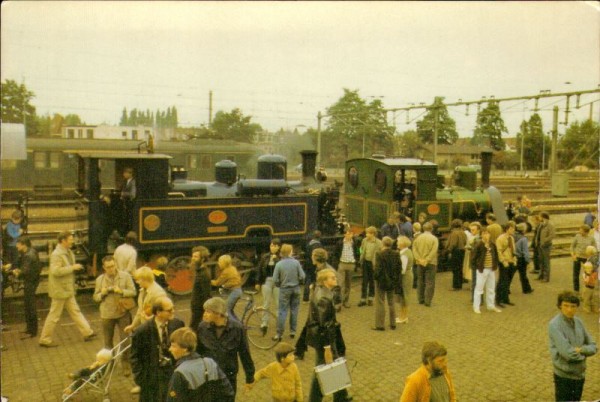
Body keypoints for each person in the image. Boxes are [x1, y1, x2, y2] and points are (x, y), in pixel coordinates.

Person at [39, 231, 96, 347]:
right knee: (54, 315)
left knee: (75, 311)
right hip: (60, 290)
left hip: (66, 289)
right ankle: (44, 339)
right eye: (70, 239)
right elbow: (55, 271)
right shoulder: (57, 254)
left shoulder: (67, 251)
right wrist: (72, 267)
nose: (72, 241)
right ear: (63, 241)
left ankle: (87, 332)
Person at [305, 268, 352, 402]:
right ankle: (315, 399)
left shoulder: (322, 291)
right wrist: (327, 347)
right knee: (322, 368)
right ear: (324, 281)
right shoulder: (324, 299)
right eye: (332, 278)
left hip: (325, 337)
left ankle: (341, 395)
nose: (335, 279)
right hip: (324, 339)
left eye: (335, 277)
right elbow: (324, 325)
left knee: (335, 364)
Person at [196, 297, 255, 398]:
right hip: (209, 377)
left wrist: (250, 377)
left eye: (208, 312)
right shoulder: (202, 327)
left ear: (218, 314)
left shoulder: (237, 328)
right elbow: (198, 351)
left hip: (228, 376)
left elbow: (244, 353)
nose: (204, 314)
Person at [131, 297, 184, 402]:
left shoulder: (178, 324)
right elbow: (135, 357)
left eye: (173, 308)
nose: (173, 311)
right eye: (169, 310)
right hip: (153, 376)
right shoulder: (142, 331)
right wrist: (141, 379)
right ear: (158, 312)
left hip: (172, 372)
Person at [548, 290, 597, 402]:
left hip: (579, 375)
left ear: (577, 307)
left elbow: (594, 346)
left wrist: (581, 350)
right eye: (566, 306)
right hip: (564, 376)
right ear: (560, 306)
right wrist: (584, 354)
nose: (569, 310)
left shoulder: (579, 322)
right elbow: (568, 354)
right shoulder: (554, 325)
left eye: (573, 306)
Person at [93, 255, 136, 375]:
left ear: (115, 264)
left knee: (126, 340)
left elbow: (133, 291)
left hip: (122, 313)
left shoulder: (125, 276)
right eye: (108, 267)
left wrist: (121, 291)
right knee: (107, 342)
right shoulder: (100, 280)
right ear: (104, 268)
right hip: (107, 315)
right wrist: (102, 293)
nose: (111, 269)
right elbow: (95, 297)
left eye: (112, 266)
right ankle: (109, 364)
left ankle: (126, 364)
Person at [166, 327, 234, 402]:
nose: (170, 349)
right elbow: (228, 392)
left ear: (185, 348)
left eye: (173, 346)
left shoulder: (180, 372)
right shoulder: (210, 363)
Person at [273, 244, 305, 340]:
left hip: (284, 290)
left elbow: (275, 279)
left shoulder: (279, 264)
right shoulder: (296, 263)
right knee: (294, 310)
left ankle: (279, 333)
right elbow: (302, 276)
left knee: (282, 311)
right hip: (296, 289)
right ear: (290, 252)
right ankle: (292, 331)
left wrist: (279, 284)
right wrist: (298, 281)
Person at [125, 266, 167, 334]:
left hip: (155, 329)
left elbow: (163, 313)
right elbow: (140, 310)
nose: (137, 282)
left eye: (138, 279)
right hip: (147, 327)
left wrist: (150, 319)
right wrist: (133, 325)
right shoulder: (142, 291)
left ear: (144, 279)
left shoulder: (158, 293)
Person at [14, 236, 41, 338]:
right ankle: (30, 328)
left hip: (30, 282)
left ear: (23, 244)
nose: (16, 246)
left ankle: (32, 331)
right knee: (28, 305)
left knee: (30, 306)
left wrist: (16, 272)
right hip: (33, 281)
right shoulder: (31, 252)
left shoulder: (28, 256)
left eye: (18, 244)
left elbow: (24, 270)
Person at [471, 228, 502, 314]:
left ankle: (491, 305)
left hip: (491, 269)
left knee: (491, 288)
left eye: (487, 233)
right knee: (479, 288)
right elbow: (473, 258)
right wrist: (476, 267)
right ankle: (476, 306)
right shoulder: (479, 245)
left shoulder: (492, 245)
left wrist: (495, 265)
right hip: (482, 269)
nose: (486, 235)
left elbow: (495, 255)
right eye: (484, 233)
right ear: (481, 235)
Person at [372, 236, 400, 331]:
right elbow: (399, 268)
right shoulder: (396, 254)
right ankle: (393, 324)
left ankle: (380, 324)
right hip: (392, 281)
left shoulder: (379, 254)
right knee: (391, 302)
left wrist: (375, 277)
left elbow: (378, 268)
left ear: (383, 244)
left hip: (381, 281)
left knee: (380, 302)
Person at [255, 238, 281, 331]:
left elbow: (282, 269)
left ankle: (279, 324)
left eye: (275, 246)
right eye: (271, 245)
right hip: (267, 281)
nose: (272, 247)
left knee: (278, 303)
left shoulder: (281, 258)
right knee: (266, 303)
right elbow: (259, 269)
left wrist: (277, 260)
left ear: (278, 247)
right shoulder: (265, 256)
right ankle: (264, 323)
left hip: (277, 282)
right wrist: (258, 282)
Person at [412, 222, 439, 307]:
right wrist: (427, 259)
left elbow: (414, 249)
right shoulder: (434, 239)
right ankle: (427, 301)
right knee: (430, 282)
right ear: (431, 229)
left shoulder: (417, 238)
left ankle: (420, 299)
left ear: (423, 229)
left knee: (420, 281)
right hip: (431, 263)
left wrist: (419, 259)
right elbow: (434, 251)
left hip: (419, 262)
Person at [332, 228, 360, 309]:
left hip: (351, 264)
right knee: (340, 284)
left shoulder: (355, 243)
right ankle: (338, 303)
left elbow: (358, 252)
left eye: (351, 234)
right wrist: (336, 265)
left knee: (348, 284)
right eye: (348, 233)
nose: (349, 235)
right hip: (342, 264)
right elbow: (335, 254)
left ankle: (346, 301)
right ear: (345, 234)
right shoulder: (340, 243)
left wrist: (356, 262)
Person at [211, 254, 242, 322]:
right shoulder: (232, 268)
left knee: (226, 311)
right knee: (230, 310)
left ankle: (237, 327)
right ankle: (239, 324)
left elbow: (217, 283)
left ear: (224, 263)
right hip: (238, 290)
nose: (218, 263)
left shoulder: (226, 272)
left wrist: (208, 280)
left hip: (234, 292)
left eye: (219, 262)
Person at [358, 226, 382, 307]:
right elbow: (361, 249)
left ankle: (371, 298)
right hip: (365, 262)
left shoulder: (378, 243)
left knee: (372, 281)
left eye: (368, 233)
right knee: (364, 281)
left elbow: (380, 253)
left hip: (373, 264)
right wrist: (361, 254)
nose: (366, 235)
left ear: (373, 234)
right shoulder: (364, 240)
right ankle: (363, 299)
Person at [189, 245, 212, 330]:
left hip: (199, 310)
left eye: (196, 256)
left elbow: (207, 295)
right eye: (193, 256)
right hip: (196, 309)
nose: (193, 258)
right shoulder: (199, 271)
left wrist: (206, 312)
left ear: (202, 259)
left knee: (194, 329)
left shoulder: (204, 275)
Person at [496, 222, 517, 307]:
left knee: (508, 282)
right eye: (511, 229)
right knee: (502, 281)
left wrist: (515, 260)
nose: (513, 230)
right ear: (507, 229)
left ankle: (506, 299)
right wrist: (503, 261)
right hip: (504, 262)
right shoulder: (500, 238)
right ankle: (498, 299)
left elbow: (513, 249)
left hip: (511, 261)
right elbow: (499, 251)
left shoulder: (511, 238)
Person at [570, 224, 595, 292]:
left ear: (586, 232)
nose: (580, 232)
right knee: (575, 274)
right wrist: (573, 254)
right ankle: (576, 290)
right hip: (577, 257)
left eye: (581, 231)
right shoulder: (577, 236)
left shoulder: (591, 238)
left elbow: (594, 248)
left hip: (586, 258)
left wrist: (591, 257)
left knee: (587, 274)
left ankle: (586, 290)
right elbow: (572, 246)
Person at [445, 219, 467, 291]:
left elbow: (453, 244)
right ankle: (459, 284)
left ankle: (455, 286)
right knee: (460, 268)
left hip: (456, 252)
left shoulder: (454, 233)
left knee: (455, 269)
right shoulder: (463, 233)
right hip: (462, 251)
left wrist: (448, 250)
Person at [396, 236, 413, 324]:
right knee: (404, 296)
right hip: (408, 274)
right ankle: (402, 316)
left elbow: (402, 269)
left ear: (402, 243)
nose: (397, 243)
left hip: (405, 277)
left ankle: (404, 317)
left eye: (398, 241)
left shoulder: (404, 255)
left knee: (404, 297)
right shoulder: (408, 251)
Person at [514, 223, 534, 294]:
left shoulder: (513, 236)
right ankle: (526, 289)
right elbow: (525, 251)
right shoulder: (523, 239)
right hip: (521, 259)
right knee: (523, 275)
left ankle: (506, 289)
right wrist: (528, 261)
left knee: (509, 275)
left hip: (513, 257)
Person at [303, 231, 323, 302]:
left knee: (307, 280)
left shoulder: (309, 244)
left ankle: (305, 298)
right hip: (314, 264)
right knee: (316, 280)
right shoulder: (318, 245)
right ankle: (315, 297)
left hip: (308, 264)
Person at [537, 211, 556, 282]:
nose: (539, 218)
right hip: (540, 245)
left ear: (543, 217)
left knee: (546, 262)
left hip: (546, 245)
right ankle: (541, 275)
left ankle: (546, 277)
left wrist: (545, 240)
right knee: (541, 261)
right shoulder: (541, 224)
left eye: (540, 216)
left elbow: (552, 235)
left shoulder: (550, 225)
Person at [120, 167, 136, 234]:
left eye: (125, 173)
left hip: (131, 204)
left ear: (130, 174)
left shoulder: (133, 182)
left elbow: (133, 194)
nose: (123, 174)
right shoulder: (125, 182)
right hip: (126, 204)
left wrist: (123, 194)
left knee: (130, 219)